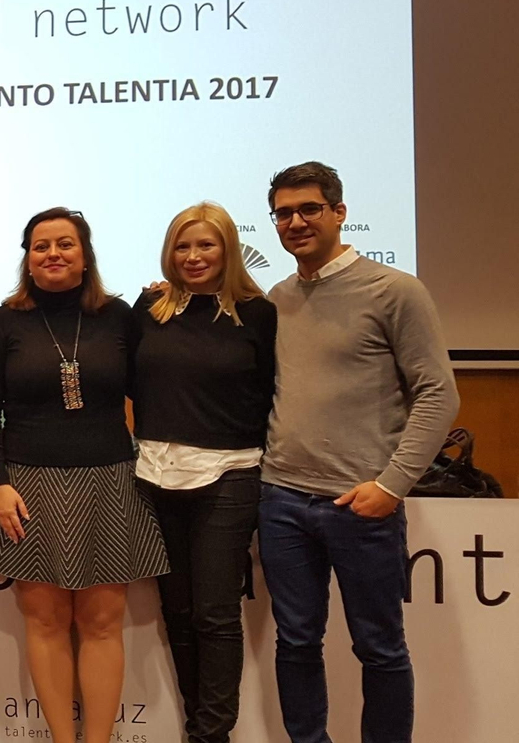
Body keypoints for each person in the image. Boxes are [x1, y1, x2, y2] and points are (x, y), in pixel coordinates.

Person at [258, 162, 458, 743]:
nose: (295, 222)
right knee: (295, 641)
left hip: (360, 503)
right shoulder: (278, 297)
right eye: (284, 213)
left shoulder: (395, 290)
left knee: (380, 647)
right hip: (283, 500)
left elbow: (439, 395)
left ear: (339, 213)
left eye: (309, 209)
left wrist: (391, 485)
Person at [0, 207, 168, 743]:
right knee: (46, 624)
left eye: (65, 244)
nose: (53, 254)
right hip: (27, 485)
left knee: (104, 626)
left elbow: (154, 385)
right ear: (27, 260)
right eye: (40, 246)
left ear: (85, 257)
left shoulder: (120, 317)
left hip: (110, 480)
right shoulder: (5, 322)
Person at [129, 203, 276, 743]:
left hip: (229, 474)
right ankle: (199, 728)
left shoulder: (258, 312)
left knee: (215, 615)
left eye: (206, 245)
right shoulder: (149, 307)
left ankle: (212, 735)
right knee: (179, 612)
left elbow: (271, 394)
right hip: (155, 474)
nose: (193, 257)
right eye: (183, 246)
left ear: (228, 249)